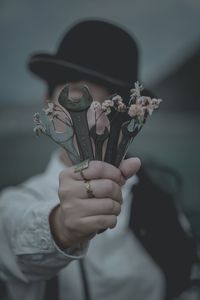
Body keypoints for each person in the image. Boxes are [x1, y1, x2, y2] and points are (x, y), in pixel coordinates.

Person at [0, 19, 196, 300]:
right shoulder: (15, 203)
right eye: (79, 99)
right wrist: (62, 227)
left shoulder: (158, 198)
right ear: (47, 104)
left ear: (132, 115)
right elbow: (12, 239)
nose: (96, 122)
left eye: (113, 106)